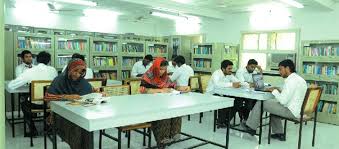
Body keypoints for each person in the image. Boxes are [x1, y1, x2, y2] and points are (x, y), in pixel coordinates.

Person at [244, 59, 307, 141]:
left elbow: (283, 101)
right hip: (297, 109)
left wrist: (274, 90)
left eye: (280, 69)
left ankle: (251, 127)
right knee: (273, 105)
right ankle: (279, 133)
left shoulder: (290, 81)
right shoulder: (299, 79)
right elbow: (292, 94)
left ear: (287, 68)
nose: (279, 72)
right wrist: (278, 90)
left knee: (261, 103)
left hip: (290, 111)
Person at [45, 59, 97, 149]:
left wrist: (99, 93)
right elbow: (47, 97)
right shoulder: (59, 80)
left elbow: (92, 91)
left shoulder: (82, 81)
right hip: (60, 114)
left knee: (86, 126)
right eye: (75, 71)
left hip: (79, 113)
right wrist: (66, 97)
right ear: (69, 69)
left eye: (81, 72)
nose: (77, 74)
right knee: (77, 127)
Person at [139, 58, 189, 148]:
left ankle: (174, 134)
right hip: (148, 105)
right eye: (160, 69)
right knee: (164, 113)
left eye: (164, 69)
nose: (162, 71)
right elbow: (143, 90)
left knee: (175, 110)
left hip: (163, 102)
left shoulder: (165, 77)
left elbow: (172, 86)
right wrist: (161, 90)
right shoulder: (148, 75)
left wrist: (183, 88)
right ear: (155, 68)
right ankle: (163, 138)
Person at [8, 51, 57, 136]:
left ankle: (33, 130)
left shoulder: (30, 71)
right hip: (50, 103)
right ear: (49, 61)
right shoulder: (53, 70)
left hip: (35, 104)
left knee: (23, 102)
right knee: (47, 102)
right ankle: (47, 127)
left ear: (36, 60)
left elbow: (11, 85)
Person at [206, 60, 241, 126]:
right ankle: (220, 121)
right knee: (223, 101)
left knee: (238, 101)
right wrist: (232, 84)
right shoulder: (216, 73)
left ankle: (226, 120)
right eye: (229, 69)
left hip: (224, 93)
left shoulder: (229, 74)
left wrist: (245, 84)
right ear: (223, 69)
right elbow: (217, 84)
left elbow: (237, 81)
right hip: (212, 94)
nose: (231, 70)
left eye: (231, 68)